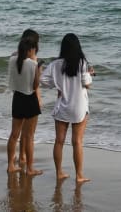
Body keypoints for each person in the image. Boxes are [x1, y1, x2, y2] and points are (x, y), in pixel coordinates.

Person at [41, 33, 94, 183]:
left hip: (62, 106)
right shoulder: (82, 63)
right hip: (79, 107)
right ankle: (79, 175)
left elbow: (42, 80)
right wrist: (90, 74)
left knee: (59, 141)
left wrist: (56, 85)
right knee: (77, 142)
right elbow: (87, 84)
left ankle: (59, 172)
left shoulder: (55, 64)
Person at [6, 36, 43, 176]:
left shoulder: (12, 59)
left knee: (14, 135)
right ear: (31, 49)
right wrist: (38, 69)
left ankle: (10, 165)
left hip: (17, 98)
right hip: (30, 99)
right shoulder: (33, 64)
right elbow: (35, 85)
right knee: (29, 137)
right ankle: (30, 168)